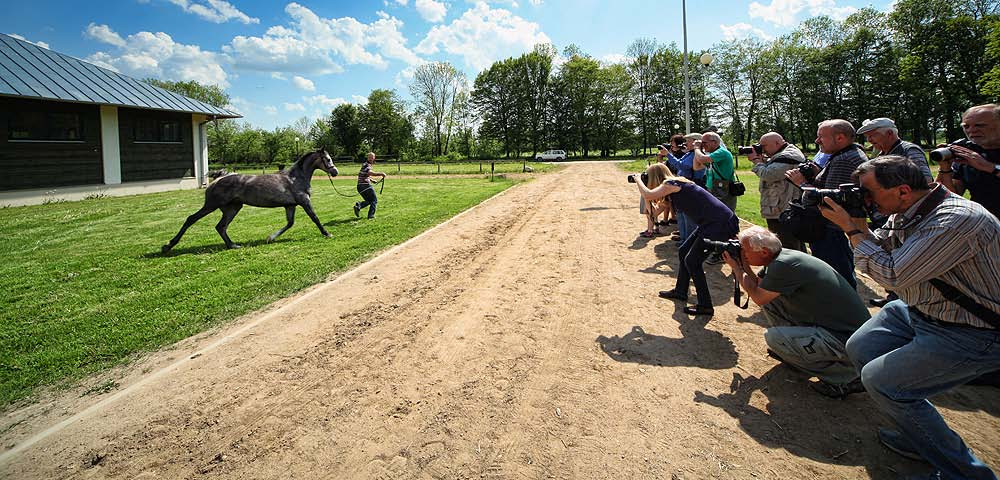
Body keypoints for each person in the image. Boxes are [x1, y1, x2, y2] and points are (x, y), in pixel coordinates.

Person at [820, 155, 1000, 480]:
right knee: (862, 347)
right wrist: (859, 221)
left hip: (975, 330)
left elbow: (892, 272)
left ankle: (967, 474)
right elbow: (884, 247)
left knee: (883, 382)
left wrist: (850, 228)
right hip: (921, 309)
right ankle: (918, 434)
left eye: (869, 193)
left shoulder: (956, 220)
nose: (865, 199)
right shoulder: (911, 208)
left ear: (903, 190)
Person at [722, 226, 869, 397]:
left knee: (774, 338)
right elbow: (759, 286)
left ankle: (847, 377)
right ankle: (796, 350)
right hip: (843, 331)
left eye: (745, 251)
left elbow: (757, 296)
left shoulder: (783, 265)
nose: (742, 253)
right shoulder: (782, 257)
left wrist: (737, 269)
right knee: (772, 301)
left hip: (849, 342)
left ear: (763, 252)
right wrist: (743, 263)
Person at [632, 163, 739, 317]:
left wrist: (638, 180)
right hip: (710, 222)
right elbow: (654, 212)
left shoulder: (671, 183)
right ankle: (681, 291)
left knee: (692, 261)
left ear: (655, 176)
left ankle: (705, 305)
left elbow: (649, 193)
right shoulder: (672, 189)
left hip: (718, 223)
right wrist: (647, 198)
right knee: (684, 251)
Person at [785, 119, 867, 289]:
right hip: (833, 229)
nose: (817, 141)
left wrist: (801, 183)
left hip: (830, 229)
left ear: (840, 138)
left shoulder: (843, 159)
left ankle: (843, 311)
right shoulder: (848, 154)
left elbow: (827, 200)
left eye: (821, 136)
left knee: (836, 275)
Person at [937, 103, 1000, 218]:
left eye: (980, 125)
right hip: (985, 224)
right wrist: (945, 168)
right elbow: (952, 197)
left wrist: (990, 167)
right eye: (966, 126)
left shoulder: (974, 157)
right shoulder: (968, 153)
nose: (972, 130)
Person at [747, 132, 806, 251]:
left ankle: (788, 268)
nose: (762, 149)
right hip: (780, 206)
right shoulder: (782, 154)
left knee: (785, 244)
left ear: (777, 143)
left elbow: (768, 174)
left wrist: (756, 160)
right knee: (790, 243)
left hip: (783, 210)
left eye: (764, 146)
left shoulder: (788, 156)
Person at [857, 117, 933, 183]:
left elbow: (925, 180)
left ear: (889, 133)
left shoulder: (909, 150)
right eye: (867, 136)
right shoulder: (881, 155)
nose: (869, 140)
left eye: (872, 135)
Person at [666, 133, 706, 243]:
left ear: (695, 142)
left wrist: (668, 155)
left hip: (690, 187)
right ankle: (683, 239)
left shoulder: (695, 155)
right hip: (683, 187)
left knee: (688, 216)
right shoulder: (689, 154)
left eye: (688, 141)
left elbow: (682, 166)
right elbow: (677, 165)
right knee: (681, 213)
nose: (685, 143)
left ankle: (688, 241)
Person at [695, 132, 737, 212]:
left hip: (723, 189)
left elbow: (702, 159)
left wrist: (696, 148)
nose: (702, 145)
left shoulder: (722, 152)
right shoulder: (713, 155)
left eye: (704, 142)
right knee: (714, 214)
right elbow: (696, 167)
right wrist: (697, 150)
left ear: (715, 142)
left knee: (725, 214)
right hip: (713, 187)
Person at [639, 160, 671, 238]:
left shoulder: (667, 188)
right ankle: (655, 227)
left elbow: (652, 213)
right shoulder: (666, 185)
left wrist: (639, 183)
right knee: (651, 212)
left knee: (650, 213)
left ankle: (650, 230)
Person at [354, 152, 386, 219]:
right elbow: (370, 173)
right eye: (370, 157)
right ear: (367, 158)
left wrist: (371, 180)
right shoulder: (367, 165)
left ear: (374, 158)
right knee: (374, 200)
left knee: (369, 201)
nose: (371, 159)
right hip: (365, 186)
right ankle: (371, 216)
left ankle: (358, 206)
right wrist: (381, 174)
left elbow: (364, 174)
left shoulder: (365, 164)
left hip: (360, 186)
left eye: (372, 157)